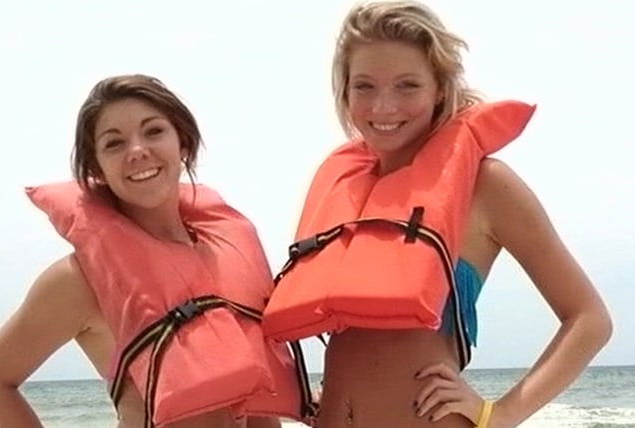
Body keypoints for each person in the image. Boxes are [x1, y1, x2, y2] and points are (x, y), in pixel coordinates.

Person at [262, 2, 613, 427]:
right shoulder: (343, 191)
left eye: (407, 85)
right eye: (365, 86)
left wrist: (500, 414)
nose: (383, 106)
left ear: (440, 89)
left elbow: (589, 319)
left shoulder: (487, 186)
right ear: (345, 91)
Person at [0, 74, 306, 428]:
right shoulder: (79, 280)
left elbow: (259, 407)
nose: (137, 150)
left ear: (183, 143)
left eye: (154, 131)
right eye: (114, 143)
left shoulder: (229, 254)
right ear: (96, 167)